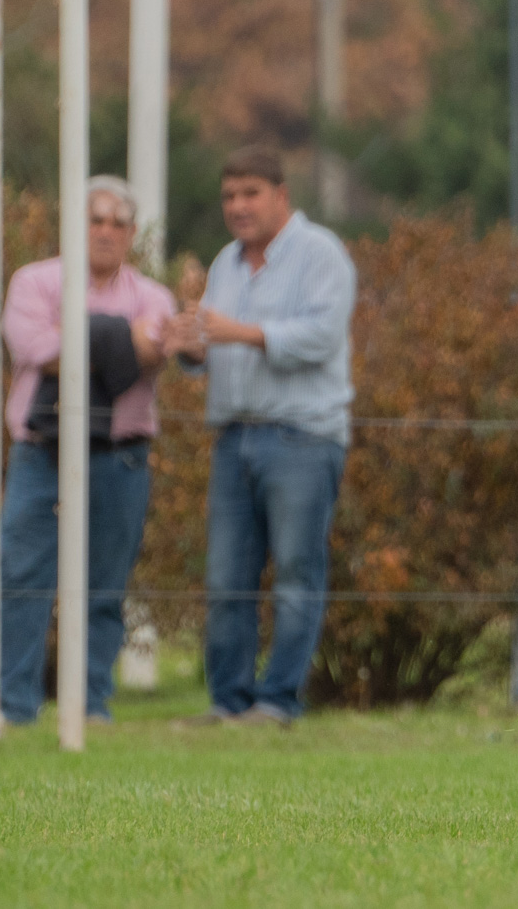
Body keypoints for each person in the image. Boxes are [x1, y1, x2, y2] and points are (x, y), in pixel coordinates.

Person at [165, 146, 356, 727]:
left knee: (297, 574)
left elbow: (321, 337)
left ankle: (278, 702)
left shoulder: (321, 253)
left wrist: (239, 332)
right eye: (229, 196)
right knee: (225, 578)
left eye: (250, 193)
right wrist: (193, 349)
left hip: (302, 436)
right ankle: (228, 701)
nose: (238, 206)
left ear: (281, 195)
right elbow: (216, 344)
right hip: (233, 437)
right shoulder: (225, 262)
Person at [0, 178, 175, 726]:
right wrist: (123, 340)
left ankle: (91, 704)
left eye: (116, 223)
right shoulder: (34, 281)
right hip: (40, 454)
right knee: (23, 579)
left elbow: (160, 346)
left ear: (130, 233)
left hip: (120, 457)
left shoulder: (153, 294)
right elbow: (33, 348)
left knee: (103, 586)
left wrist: (75, 337)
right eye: (93, 220)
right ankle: (15, 706)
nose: (104, 231)